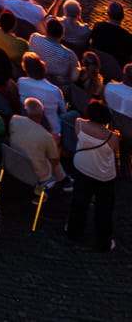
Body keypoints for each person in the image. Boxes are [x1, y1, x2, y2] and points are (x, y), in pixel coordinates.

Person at [67, 99, 121, 252]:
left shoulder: (79, 124)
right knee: (104, 210)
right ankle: (103, 242)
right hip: (103, 175)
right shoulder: (113, 137)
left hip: (82, 168)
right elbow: (113, 152)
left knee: (79, 201)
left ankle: (73, 231)